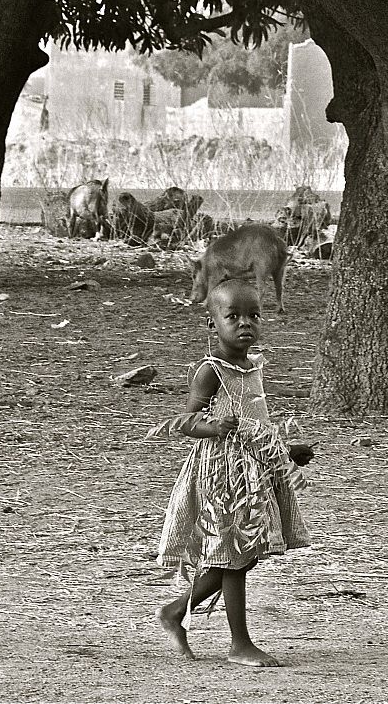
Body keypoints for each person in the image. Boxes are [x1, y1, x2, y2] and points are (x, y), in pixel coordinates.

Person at [151, 279, 314, 666]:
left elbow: (257, 424)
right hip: (223, 475)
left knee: (242, 554)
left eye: (254, 315)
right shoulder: (211, 371)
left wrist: (290, 451)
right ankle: (239, 644)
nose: (245, 324)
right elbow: (186, 421)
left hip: (255, 472)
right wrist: (212, 427)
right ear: (214, 325)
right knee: (236, 556)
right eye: (233, 316)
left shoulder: (252, 368)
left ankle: (175, 612)